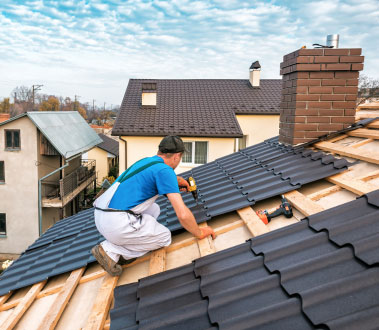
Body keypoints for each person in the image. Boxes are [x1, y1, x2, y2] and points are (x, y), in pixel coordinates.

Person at [91, 135, 216, 276]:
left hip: (102, 215)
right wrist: (199, 233)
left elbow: (149, 181)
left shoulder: (147, 162)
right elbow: (182, 214)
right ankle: (111, 251)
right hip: (115, 223)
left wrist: (175, 182)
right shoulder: (165, 171)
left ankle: (125, 245)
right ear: (177, 156)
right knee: (164, 237)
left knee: (154, 208)